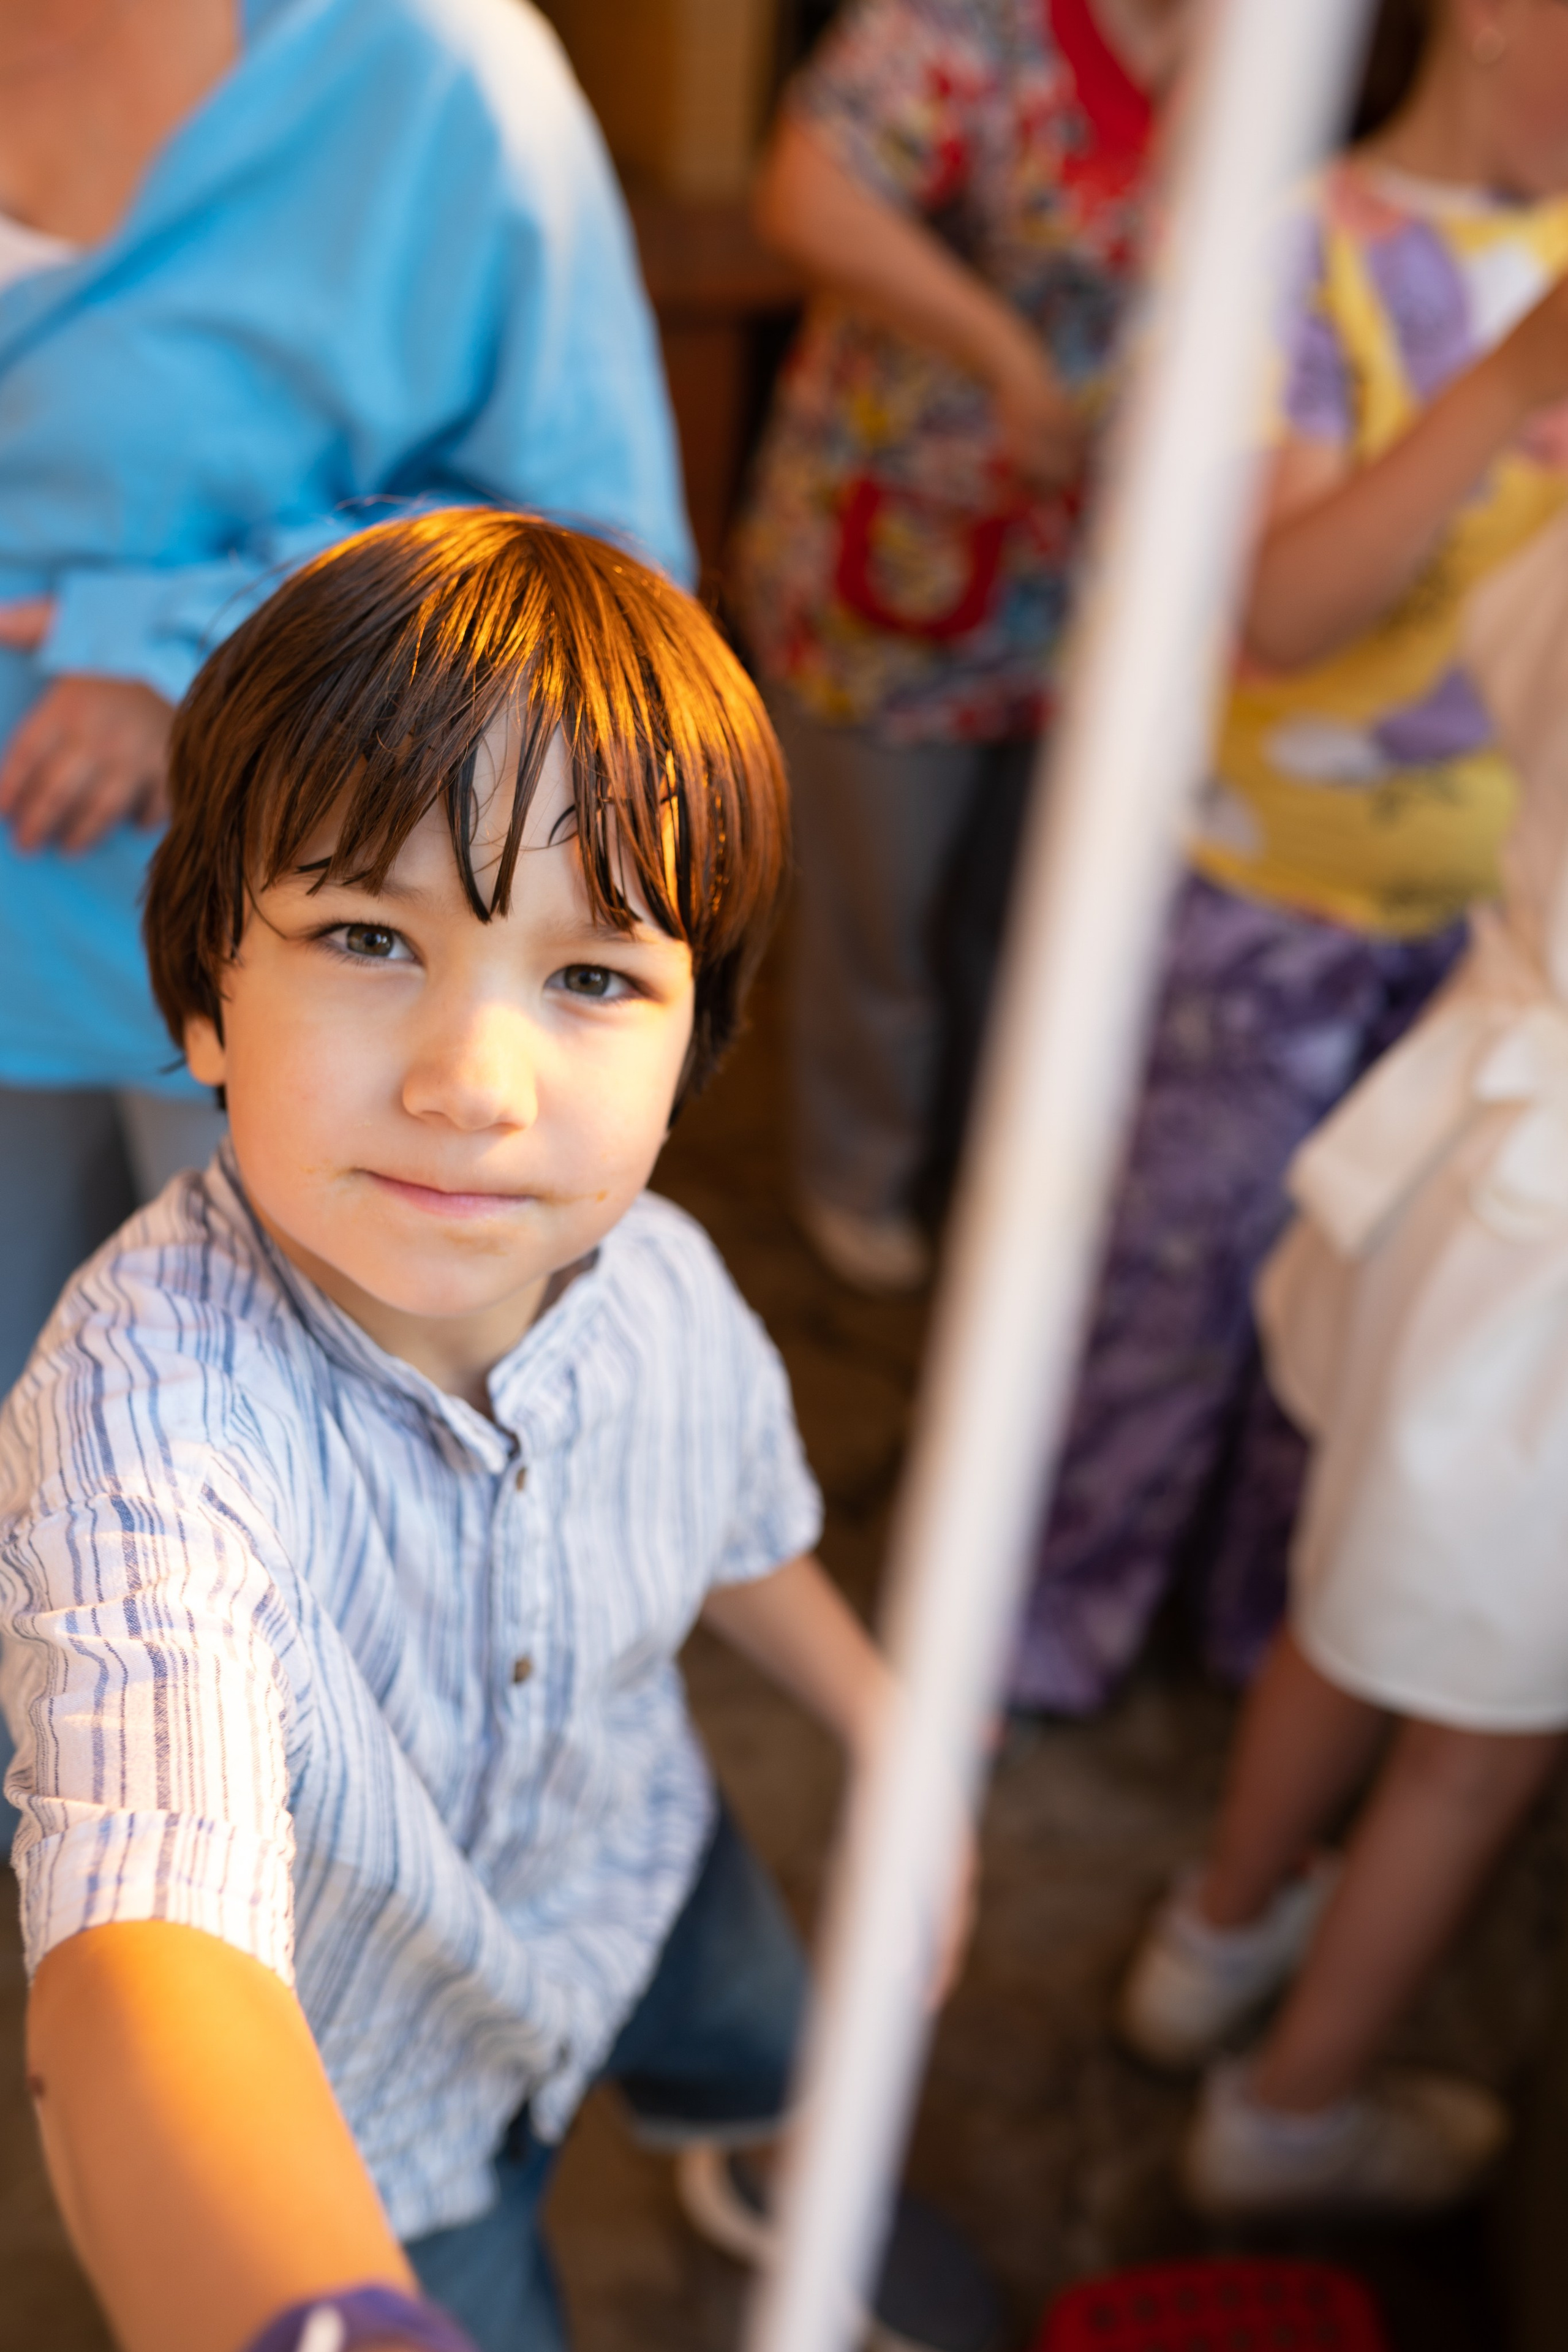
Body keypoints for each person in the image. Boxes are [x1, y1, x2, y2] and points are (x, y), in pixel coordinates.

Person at [0, 513, 993, 2352]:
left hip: (637, 1863)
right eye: (369, 935)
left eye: (593, 977)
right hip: (379, 2112)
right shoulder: (140, 1425)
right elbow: (147, 1947)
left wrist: (889, 1727)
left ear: (700, 1047)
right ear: (209, 989)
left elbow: (734, 1526)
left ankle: (768, 2177)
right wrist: (313, 2317)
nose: (472, 1082)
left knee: (783, 2047)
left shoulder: (668, 1278)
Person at [0, 0, 691, 1855]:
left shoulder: (435, 69)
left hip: (258, 960)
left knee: (338, 1540)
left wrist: (197, 646)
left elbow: (599, 564)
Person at [1010, 0, 1568, 1715]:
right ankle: (1051, 1647)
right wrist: (1519, 378)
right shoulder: (1286, 248)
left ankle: (1270, 1646)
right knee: (1174, 1297)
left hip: (1505, 935)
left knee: (1358, 1330)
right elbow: (1291, 609)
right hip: (1273, 896)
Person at [1117, 488, 1568, 2218]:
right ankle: (1288, 2118)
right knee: (1478, 1739)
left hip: (1470, 1133)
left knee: (1345, 1582)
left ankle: (1214, 1932)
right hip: (1532, 1221)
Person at [732, 0, 1194, 1293]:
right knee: (884, 921)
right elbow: (806, 194)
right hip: (900, 565)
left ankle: (997, 1173)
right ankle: (858, 1169)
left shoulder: (1260, 46)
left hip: (1101, 583)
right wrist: (998, 351)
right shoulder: (960, 28)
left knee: (1031, 911)